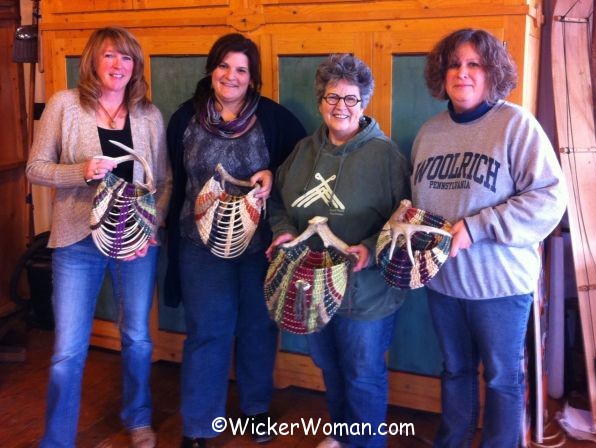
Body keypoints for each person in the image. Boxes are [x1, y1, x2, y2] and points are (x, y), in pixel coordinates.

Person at [410, 28, 567, 446]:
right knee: (455, 370)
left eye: (473, 64)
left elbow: (550, 199)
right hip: (443, 283)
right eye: (454, 64)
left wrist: (477, 227)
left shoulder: (516, 125)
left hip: (499, 287)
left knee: (501, 379)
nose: (462, 73)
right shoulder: (429, 133)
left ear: (490, 72)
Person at [26, 27, 171, 448]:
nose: (118, 66)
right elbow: (36, 167)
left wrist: (153, 225)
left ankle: (138, 418)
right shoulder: (64, 105)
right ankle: (56, 440)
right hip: (76, 243)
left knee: (138, 339)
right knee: (67, 352)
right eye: (110, 56)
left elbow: (163, 180)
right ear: (92, 60)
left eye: (127, 58)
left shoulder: (148, 114)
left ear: (136, 66)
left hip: (136, 244)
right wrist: (80, 171)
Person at [164, 33, 306, 447]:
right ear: (212, 69)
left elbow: (304, 171)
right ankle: (198, 425)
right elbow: (174, 178)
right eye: (224, 66)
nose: (231, 75)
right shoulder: (183, 120)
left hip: (258, 247)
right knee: (208, 330)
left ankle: (256, 411)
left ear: (252, 78)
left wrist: (274, 176)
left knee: (259, 327)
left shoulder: (275, 120)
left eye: (241, 69)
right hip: (199, 247)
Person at [267, 53, 410, 448]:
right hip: (312, 287)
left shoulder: (386, 156)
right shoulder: (301, 153)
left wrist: (368, 247)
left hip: (367, 295)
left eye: (351, 99)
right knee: (329, 367)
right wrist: (281, 232)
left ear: (363, 104)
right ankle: (344, 437)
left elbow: (405, 220)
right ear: (320, 101)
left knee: (362, 375)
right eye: (332, 97)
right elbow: (277, 202)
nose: (341, 107)